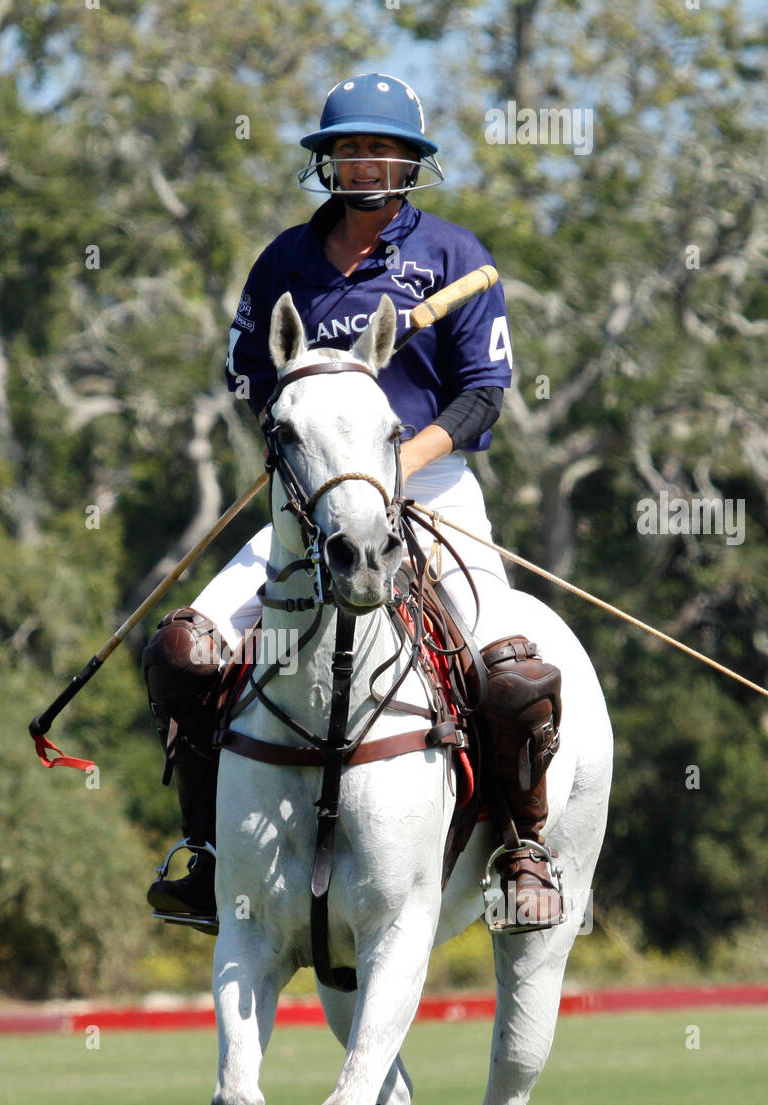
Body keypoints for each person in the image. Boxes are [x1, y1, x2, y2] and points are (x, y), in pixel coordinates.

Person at [143, 73, 563, 934]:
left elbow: (483, 393)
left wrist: (391, 463)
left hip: (431, 488)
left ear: (411, 161)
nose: (363, 161)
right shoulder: (284, 262)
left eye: (381, 148)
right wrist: (323, 451)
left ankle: (525, 845)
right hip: (312, 497)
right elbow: (248, 375)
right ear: (326, 161)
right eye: (347, 148)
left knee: (512, 674)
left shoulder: (453, 256)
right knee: (184, 651)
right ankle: (208, 853)